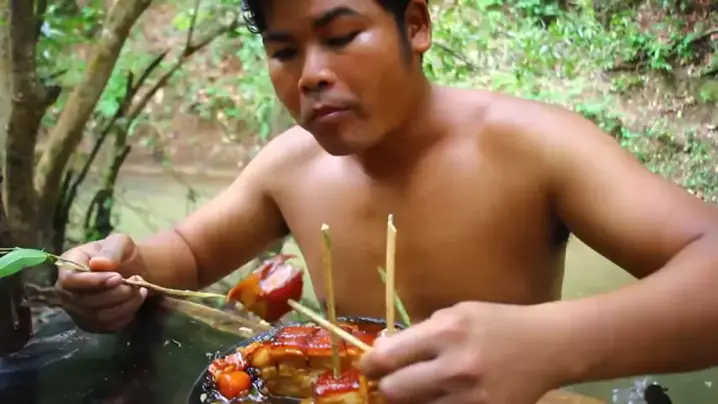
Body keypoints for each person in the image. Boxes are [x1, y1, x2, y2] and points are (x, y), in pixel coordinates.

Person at [55, 0, 718, 403]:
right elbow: (190, 255)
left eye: (341, 36)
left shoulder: (536, 146)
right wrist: (119, 271)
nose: (310, 74)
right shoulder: (291, 163)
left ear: (416, 24)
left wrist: (554, 345)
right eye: (283, 51)